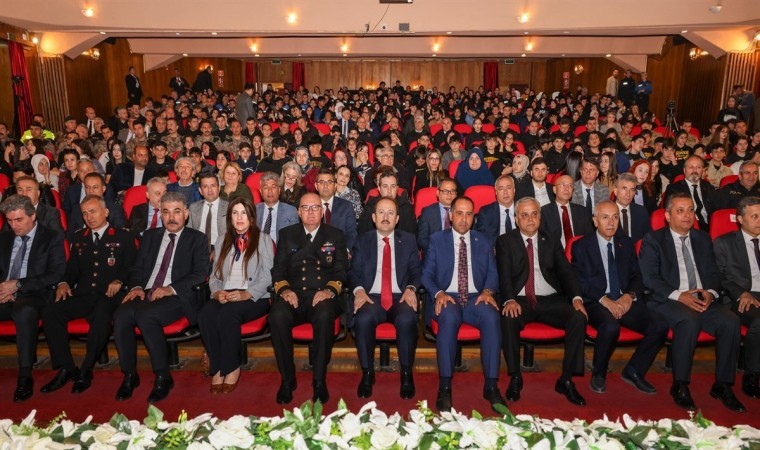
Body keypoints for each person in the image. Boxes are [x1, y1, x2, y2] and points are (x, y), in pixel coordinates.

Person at [638, 192, 744, 412]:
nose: (687, 216)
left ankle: (723, 384)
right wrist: (679, 295)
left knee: (730, 321)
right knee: (689, 321)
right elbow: (649, 278)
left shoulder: (703, 239)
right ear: (667, 215)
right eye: (680, 211)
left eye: (690, 210)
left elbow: (715, 272)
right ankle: (680, 384)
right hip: (667, 300)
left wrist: (711, 292)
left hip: (700, 299)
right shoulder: (654, 240)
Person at [113, 192, 209, 403]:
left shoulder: (197, 239)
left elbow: (200, 273)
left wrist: (170, 288)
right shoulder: (150, 236)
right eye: (166, 212)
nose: (171, 217)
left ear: (185, 214)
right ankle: (130, 374)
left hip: (178, 296)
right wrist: (137, 286)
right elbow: (137, 268)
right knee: (121, 316)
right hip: (146, 292)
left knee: (147, 316)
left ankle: (163, 376)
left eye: (176, 211)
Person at [40, 195, 137, 394]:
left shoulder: (123, 236)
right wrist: (64, 283)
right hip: (84, 294)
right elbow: (71, 269)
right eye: (84, 213)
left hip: (109, 296)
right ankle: (67, 367)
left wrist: (120, 281)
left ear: (106, 212)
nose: (88, 217)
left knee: (102, 316)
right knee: (51, 310)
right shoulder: (79, 237)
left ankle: (86, 369)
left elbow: (133, 268)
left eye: (92, 211)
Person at [497, 197, 588, 406]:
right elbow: (503, 275)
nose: (530, 219)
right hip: (520, 300)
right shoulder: (505, 241)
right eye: (524, 215)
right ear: (516, 218)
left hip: (549, 300)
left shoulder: (551, 239)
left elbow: (566, 272)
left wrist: (576, 298)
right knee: (508, 318)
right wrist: (509, 299)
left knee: (578, 317)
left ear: (540, 216)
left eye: (534, 214)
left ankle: (566, 379)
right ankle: (515, 376)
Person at [571, 201, 667, 394]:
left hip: (623, 299)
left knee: (660, 325)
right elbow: (579, 280)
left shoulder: (626, 244)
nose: (611, 222)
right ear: (595, 221)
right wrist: (604, 300)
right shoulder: (581, 245)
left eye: (615, 217)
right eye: (605, 217)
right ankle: (599, 373)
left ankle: (634, 370)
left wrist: (629, 296)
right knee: (610, 326)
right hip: (596, 301)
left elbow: (636, 276)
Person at [421, 196, 504, 412]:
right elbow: (426, 276)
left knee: (492, 316)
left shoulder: (483, 240)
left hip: (476, 298)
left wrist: (488, 291)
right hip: (448, 296)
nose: (464, 219)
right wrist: (438, 293)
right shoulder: (437, 240)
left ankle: (492, 385)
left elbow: (493, 274)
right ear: (450, 215)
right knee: (448, 316)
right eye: (459, 213)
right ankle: (445, 385)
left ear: (474, 217)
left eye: (469, 214)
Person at [269, 193, 348, 405]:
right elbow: (278, 270)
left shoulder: (336, 235)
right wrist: (284, 290)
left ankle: (319, 380)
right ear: (298, 212)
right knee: (277, 315)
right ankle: (287, 379)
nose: (311, 212)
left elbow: (342, 272)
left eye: (315, 208)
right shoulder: (287, 234)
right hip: (294, 295)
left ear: (322, 211)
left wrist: (329, 291)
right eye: (306, 208)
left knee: (324, 314)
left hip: (324, 296)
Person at [198, 197, 274, 394]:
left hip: (255, 296)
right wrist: (216, 292)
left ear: (251, 216)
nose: (239, 218)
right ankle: (217, 366)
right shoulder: (222, 239)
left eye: (243, 213)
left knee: (227, 314)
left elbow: (269, 276)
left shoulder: (263, 239)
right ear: (230, 217)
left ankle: (231, 367)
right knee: (206, 313)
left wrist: (247, 293)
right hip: (226, 292)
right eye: (235, 213)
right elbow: (214, 275)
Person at [350, 197, 421, 399]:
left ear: (397, 218)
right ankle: (367, 372)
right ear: (373, 217)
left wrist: (411, 289)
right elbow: (353, 272)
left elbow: (416, 272)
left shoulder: (408, 240)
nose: (385, 217)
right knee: (363, 318)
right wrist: (359, 291)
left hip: (399, 297)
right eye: (381, 212)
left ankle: (406, 373)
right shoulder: (363, 240)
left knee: (407, 318)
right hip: (371, 297)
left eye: (390, 213)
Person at [0, 195, 66, 402]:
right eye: (9, 221)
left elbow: (55, 274)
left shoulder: (51, 237)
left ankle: (25, 376)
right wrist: (3, 289)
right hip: (4, 293)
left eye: (19, 220)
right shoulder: (3, 238)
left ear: (33, 216)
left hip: (35, 294)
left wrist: (18, 285)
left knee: (24, 311)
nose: (13, 225)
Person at [540, 175, 594, 249]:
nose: (567, 188)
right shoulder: (544, 212)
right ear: (555, 189)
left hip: (580, 253)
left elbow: (590, 237)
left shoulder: (582, 211)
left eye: (570, 185)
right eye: (563, 185)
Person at [66, 173, 125, 240]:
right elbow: (70, 237)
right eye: (87, 187)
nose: (91, 191)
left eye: (95, 187)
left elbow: (121, 236)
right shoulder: (77, 209)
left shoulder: (115, 209)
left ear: (103, 189)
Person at [663, 156, 715, 231]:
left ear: (702, 170)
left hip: (710, 226)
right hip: (688, 226)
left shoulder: (709, 187)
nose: (695, 170)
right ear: (684, 170)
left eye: (698, 167)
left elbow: (715, 211)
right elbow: (672, 213)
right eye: (691, 167)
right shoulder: (674, 189)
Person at [358, 170, 417, 236]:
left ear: (397, 189)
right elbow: (362, 235)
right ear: (379, 189)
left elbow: (412, 237)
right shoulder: (370, 207)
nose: (389, 191)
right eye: (385, 186)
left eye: (393, 186)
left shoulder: (406, 208)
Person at [314, 167, 357, 251]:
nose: (325, 186)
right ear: (316, 186)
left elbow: (351, 233)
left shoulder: (346, 206)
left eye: (329, 182)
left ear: (335, 186)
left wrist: (345, 251)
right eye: (322, 182)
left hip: (340, 252)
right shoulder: (310, 206)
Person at [188, 173, 229, 255]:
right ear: (200, 191)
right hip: (198, 248)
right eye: (205, 186)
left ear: (219, 188)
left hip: (221, 247)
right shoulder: (193, 208)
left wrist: (219, 249)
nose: (210, 189)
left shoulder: (229, 207)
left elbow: (233, 234)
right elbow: (189, 233)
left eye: (213, 186)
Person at [256, 172, 299, 245]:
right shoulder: (254, 210)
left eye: (273, 187)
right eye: (266, 187)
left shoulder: (291, 211)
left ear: (279, 190)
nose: (270, 191)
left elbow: (294, 239)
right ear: (261, 191)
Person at [417, 178, 457, 251]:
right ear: (438, 193)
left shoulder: (461, 211)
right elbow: (422, 239)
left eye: (452, 191)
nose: (449, 194)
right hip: (434, 252)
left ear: (456, 194)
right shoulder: (427, 212)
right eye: (445, 191)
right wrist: (437, 250)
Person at [475, 175, 516, 244]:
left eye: (508, 188)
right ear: (496, 192)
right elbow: (482, 238)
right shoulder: (486, 213)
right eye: (501, 189)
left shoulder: (523, 209)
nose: (505, 192)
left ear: (514, 190)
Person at [613, 173, 652, 242]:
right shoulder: (606, 211)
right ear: (616, 191)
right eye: (624, 189)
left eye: (632, 190)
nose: (628, 194)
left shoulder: (641, 211)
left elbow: (649, 238)